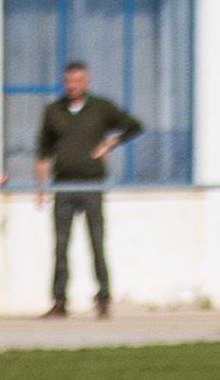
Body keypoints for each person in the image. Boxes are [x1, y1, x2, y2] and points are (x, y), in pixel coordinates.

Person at [35, 61, 142, 319]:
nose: (73, 86)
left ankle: (103, 299)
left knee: (96, 242)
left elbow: (134, 126)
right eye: (69, 81)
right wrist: (41, 187)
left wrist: (109, 144)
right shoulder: (53, 111)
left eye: (78, 81)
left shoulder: (101, 108)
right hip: (63, 185)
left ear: (87, 82)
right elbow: (43, 152)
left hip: (92, 185)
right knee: (60, 246)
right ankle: (59, 301)